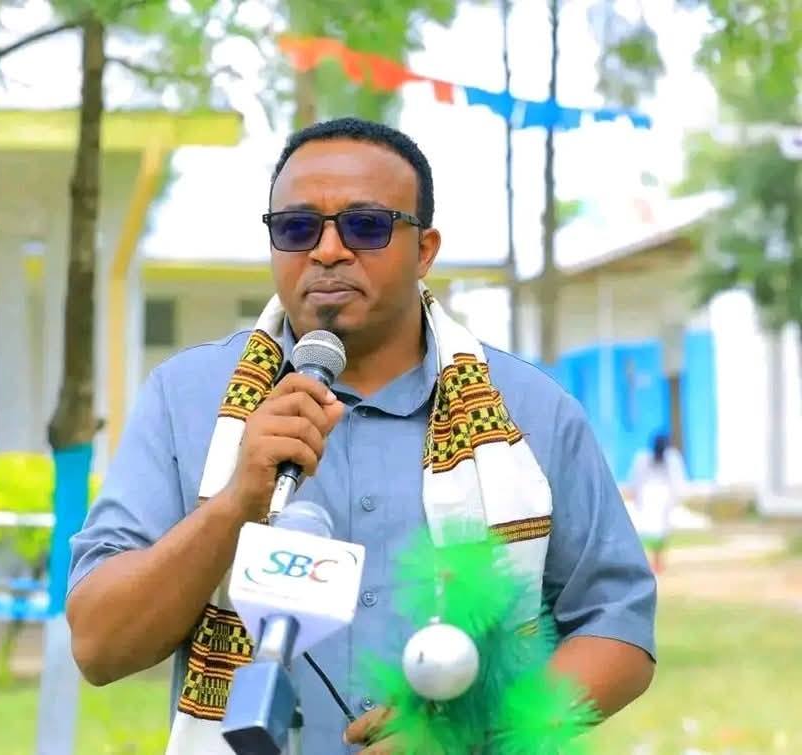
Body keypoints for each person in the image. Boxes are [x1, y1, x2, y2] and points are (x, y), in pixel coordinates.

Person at [66, 117, 656, 754]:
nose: (326, 251)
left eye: (365, 226)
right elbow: (101, 645)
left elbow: (617, 627)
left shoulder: (530, 411)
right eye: (297, 228)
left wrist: (472, 729)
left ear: (424, 250)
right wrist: (235, 504)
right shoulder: (186, 400)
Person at [628, 433, 688, 574]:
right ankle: (648, 562)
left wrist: (674, 499)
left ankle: (658, 562)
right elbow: (637, 479)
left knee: (662, 531)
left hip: (663, 498)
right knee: (648, 531)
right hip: (648, 497)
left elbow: (676, 480)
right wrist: (636, 496)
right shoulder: (643, 459)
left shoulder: (672, 459)